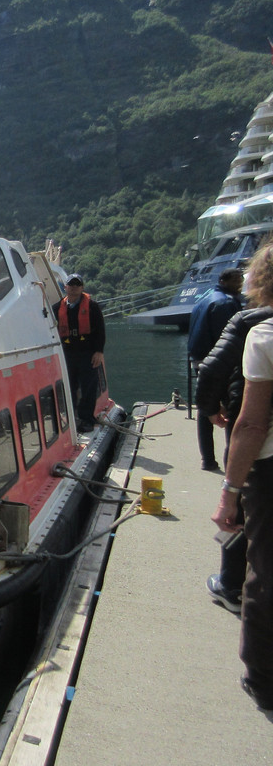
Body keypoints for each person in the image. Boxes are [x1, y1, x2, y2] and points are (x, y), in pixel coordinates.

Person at [212, 242, 273, 713]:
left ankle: (263, 677)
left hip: (269, 471)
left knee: (265, 570)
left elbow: (252, 425)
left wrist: (230, 492)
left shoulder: (265, 335)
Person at [196, 304, 273, 612]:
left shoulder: (250, 322)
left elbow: (211, 369)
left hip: (250, 422)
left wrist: (209, 408)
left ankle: (231, 583)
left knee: (239, 505)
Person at [189, 268, 245, 471]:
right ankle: (232, 464)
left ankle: (208, 460)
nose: (240, 284)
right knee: (233, 408)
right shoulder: (226, 303)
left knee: (206, 407)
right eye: (237, 280)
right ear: (225, 280)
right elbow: (230, 338)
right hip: (220, 362)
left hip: (199, 360)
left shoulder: (203, 301)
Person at [57, 273, 106, 433]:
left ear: (82, 287)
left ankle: (86, 419)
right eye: (71, 284)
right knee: (69, 387)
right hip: (68, 354)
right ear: (65, 287)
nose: (74, 287)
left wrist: (99, 351)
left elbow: (100, 330)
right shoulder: (57, 308)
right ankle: (71, 418)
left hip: (88, 353)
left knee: (88, 388)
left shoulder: (92, 306)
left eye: (77, 284)